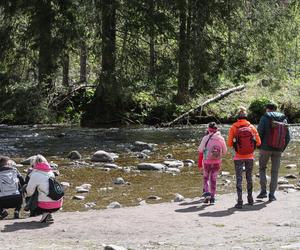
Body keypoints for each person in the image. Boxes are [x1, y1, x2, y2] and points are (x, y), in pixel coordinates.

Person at [228, 107, 261, 209]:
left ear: (237, 118)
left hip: (238, 157)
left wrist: (235, 144)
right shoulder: (252, 127)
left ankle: (240, 201)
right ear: (246, 117)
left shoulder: (233, 127)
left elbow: (229, 144)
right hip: (250, 157)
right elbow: (259, 143)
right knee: (249, 177)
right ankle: (250, 199)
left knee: (239, 178)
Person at [256, 103, 290, 201]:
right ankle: (272, 195)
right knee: (275, 172)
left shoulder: (265, 117)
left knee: (262, 169)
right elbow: (288, 137)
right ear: (276, 109)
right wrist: (281, 149)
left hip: (265, 149)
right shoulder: (284, 118)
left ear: (267, 109)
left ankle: (263, 192)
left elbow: (259, 133)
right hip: (278, 149)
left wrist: (259, 146)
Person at [26, 154, 63, 223]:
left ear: (34, 164)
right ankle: (48, 214)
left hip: (45, 205)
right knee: (45, 190)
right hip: (58, 204)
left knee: (30, 191)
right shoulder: (50, 172)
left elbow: (29, 192)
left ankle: (44, 212)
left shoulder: (35, 174)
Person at [198, 122, 227, 204]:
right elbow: (225, 151)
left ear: (208, 129)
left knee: (206, 178)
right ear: (217, 129)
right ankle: (213, 198)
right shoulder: (221, 138)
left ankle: (207, 194)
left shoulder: (205, 138)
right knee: (213, 179)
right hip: (217, 162)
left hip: (207, 162)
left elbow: (200, 150)